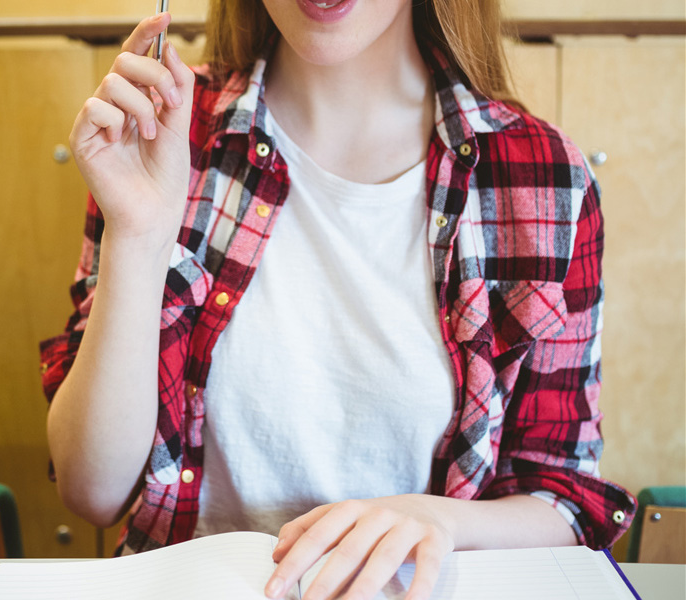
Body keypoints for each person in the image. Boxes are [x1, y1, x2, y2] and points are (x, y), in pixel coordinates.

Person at [40, 0, 637, 598]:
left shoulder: (541, 175)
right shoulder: (162, 126)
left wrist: (441, 520)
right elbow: (92, 492)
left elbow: (561, 496)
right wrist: (137, 235)